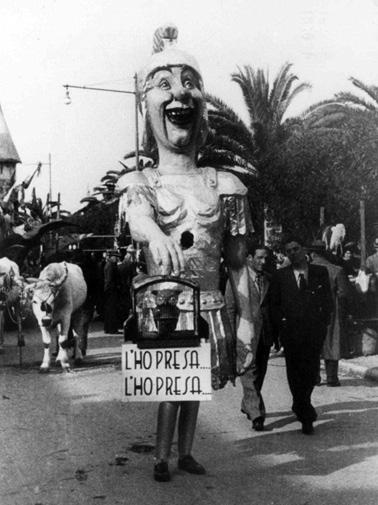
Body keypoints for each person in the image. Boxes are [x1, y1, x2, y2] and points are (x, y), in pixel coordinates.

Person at [117, 24, 254, 482]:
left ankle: (187, 451)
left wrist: (248, 321)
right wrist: (153, 234)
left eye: (190, 82)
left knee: (194, 389)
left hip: (210, 308)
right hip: (166, 309)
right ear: (146, 107)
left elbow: (238, 263)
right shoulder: (141, 184)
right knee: (170, 388)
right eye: (164, 84)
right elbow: (138, 218)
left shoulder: (226, 186)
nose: (181, 93)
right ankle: (161, 456)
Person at [270, 236, 332, 435]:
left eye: (295, 248)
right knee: (295, 372)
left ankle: (300, 404)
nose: (292, 253)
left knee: (311, 370)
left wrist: (323, 324)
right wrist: (281, 326)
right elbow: (274, 305)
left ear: (304, 249)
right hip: (292, 333)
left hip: (314, 332)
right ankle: (305, 411)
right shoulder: (280, 276)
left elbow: (328, 301)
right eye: (288, 250)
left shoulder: (319, 273)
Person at [225, 243, 274, 431]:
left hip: (265, 335)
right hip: (243, 335)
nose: (264, 261)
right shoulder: (236, 280)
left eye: (266, 258)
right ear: (249, 258)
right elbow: (230, 309)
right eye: (260, 258)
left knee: (259, 373)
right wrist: (229, 336)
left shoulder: (268, 279)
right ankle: (257, 414)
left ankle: (248, 404)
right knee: (249, 373)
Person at [309, 241, 354, 386]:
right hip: (331, 310)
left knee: (313, 343)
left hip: (311, 311)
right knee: (332, 342)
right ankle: (332, 377)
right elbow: (343, 294)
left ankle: (314, 377)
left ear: (312, 253)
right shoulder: (336, 270)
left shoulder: (305, 270)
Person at [103, 250, 121, 334]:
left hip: (109, 290)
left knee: (109, 310)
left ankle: (108, 328)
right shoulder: (111, 266)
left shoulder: (108, 265)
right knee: (112, 310)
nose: (117, 259)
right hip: (111, 291)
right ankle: (112, 328)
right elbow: (109, 279)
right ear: (112, 257)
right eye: (116, 257)